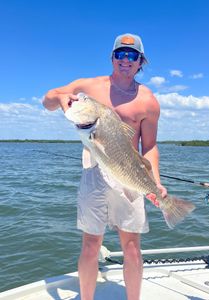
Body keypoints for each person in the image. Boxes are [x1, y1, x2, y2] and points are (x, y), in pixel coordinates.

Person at [43, 33, 167, 300]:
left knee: (132, 247)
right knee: (90, 245)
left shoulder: (148, 100)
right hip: (94, 172)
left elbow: (150, 147)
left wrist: (155, 181)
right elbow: (49, 99)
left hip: (129, 173)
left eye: (132, 55)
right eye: (120, 54)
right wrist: (61, 99)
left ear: (140, 62)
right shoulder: (90, 87)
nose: (125, 59)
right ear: (112, 58)